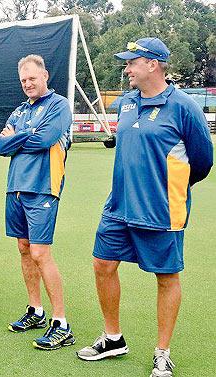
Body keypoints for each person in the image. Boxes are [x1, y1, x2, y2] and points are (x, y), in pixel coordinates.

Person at [75, 38, 213, 377]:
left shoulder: (183, 106)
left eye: (131, 62)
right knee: (102, 265)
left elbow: (203, 161)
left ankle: (162, 353)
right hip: (118, 206)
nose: (127, 68)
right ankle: (113, 338)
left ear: (153, 64)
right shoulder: (125, 102)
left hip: (162, 210)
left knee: (166, 277)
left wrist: (171, 188)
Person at [0, 54, 75, 350]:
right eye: (23, 80)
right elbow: (0, 146)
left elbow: (45, 140)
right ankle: (35, 311)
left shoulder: (59, 106)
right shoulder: (18, 110)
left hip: (43, 188)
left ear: (45, 76)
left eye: (32, 78)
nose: (28, 84)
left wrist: (19, 136)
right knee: (24, 250)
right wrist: (20, 138)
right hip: (15, 188)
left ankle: (61, 323)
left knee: (41, 252)